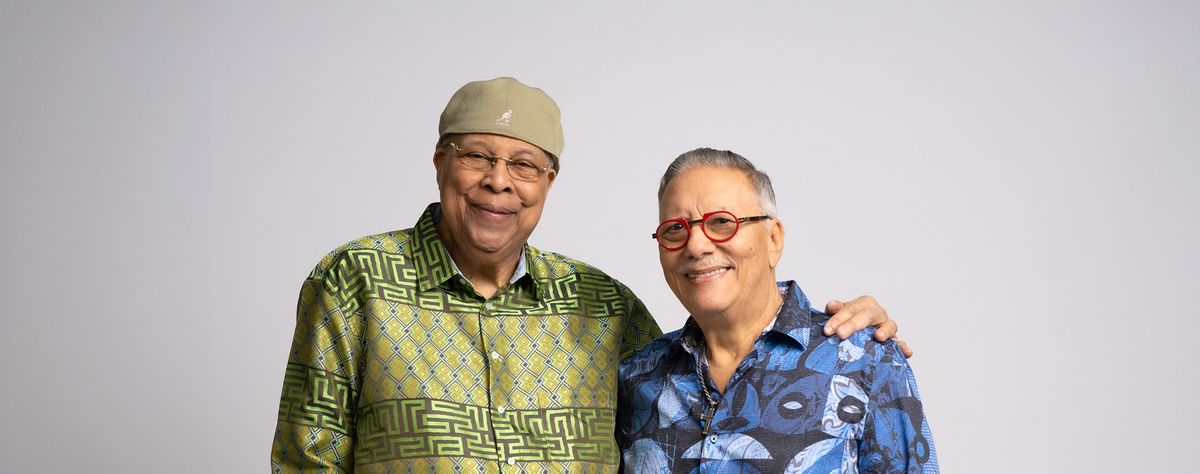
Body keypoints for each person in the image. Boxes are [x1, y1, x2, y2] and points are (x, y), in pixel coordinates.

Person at [271, 78, 905, 473]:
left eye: (525, 165)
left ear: (548, 182)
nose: (499, 181)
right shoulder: (354, 282)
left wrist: (850, 336)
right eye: (477, 156)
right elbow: (305, 461)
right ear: (441, 162)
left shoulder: (605, 307)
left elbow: (714, 357)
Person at [618, 148, 937, 472]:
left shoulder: (865, 361)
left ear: (773, 239)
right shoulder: (635, 378)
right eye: (675, 229)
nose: (696, 246)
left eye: (722, 222)